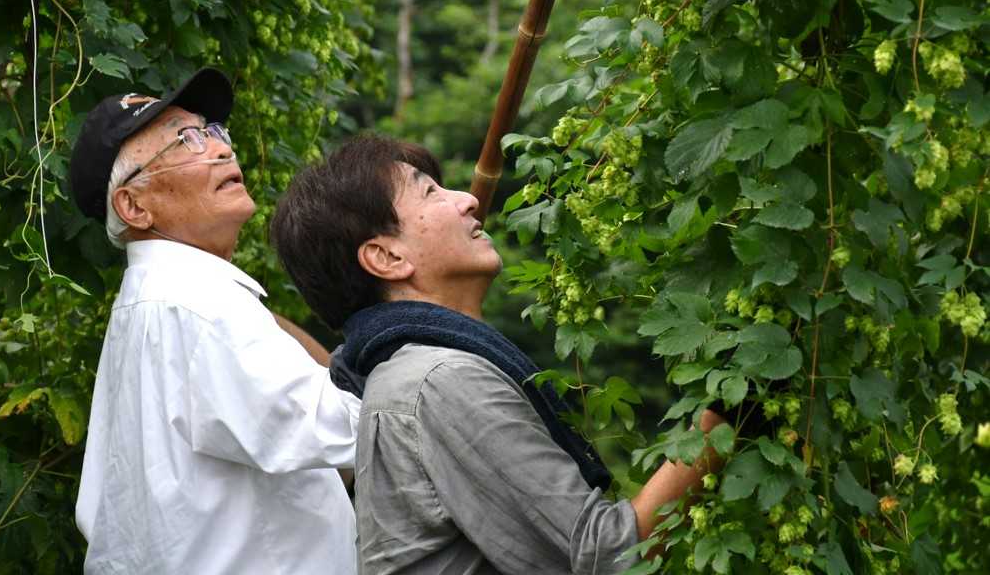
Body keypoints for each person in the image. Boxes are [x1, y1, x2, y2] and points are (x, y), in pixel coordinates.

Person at [272, 135, 727, 575]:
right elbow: (604, 556)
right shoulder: (438, 381)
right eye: (431, 193)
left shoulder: (415, 372)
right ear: (387, 258)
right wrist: (726, 415)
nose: (466, 201)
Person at [68, 68, 361, 574]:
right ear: (134, 206)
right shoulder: (195, 303)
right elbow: (349, 429)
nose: (221, 149)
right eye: (184, 141)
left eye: (211, 131)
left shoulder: (159, 301)